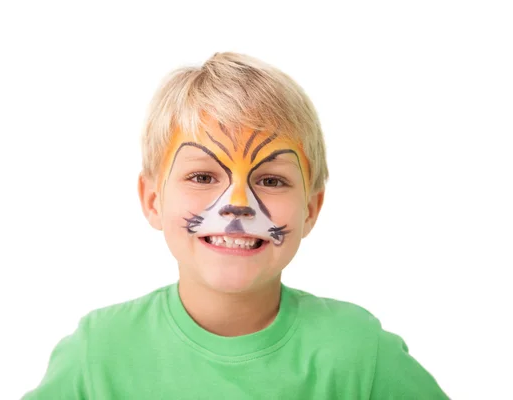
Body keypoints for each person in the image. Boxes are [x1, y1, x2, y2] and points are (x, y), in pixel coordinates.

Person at [22, 52, 449, 399]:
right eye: (203, 177)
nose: (238, 205)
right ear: (153, 200)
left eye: (271, 180)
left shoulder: (359, 354)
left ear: (311, 210)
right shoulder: (99, 354)